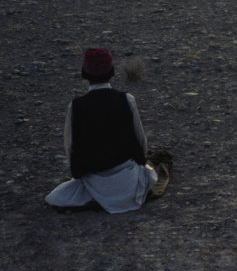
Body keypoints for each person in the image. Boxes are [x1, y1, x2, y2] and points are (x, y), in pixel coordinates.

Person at [45, 48, 170, 213]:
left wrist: (79, 173)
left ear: (84, 73)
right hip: (128, 178)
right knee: (151, 175)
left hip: (93, 180)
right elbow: (141, 141)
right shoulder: (126, 99)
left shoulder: (75, 107)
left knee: (56, 197)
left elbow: (70, 148)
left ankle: (99, 199)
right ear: (112, 72)